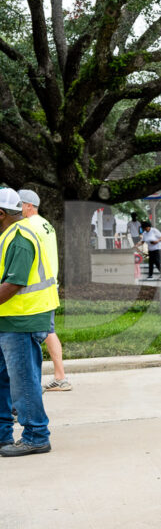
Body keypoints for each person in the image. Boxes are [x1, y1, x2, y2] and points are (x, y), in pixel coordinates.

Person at [0, 188, 59, 457]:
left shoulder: (20, 238)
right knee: (5, 379)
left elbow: (14, 282)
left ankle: (36, 435)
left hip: (23, 319)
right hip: (10, 318)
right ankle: (3, 435)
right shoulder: (8, 234)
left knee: (22, 381)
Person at [17, 190, 71, 393]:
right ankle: (60, 376)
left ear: (29, 206)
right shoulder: (46, 224)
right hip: (48, 285)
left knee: (38, 333)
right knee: (48, 331)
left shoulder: (28, 226)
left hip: (36, 289)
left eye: (19, 204)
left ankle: (54, 378)